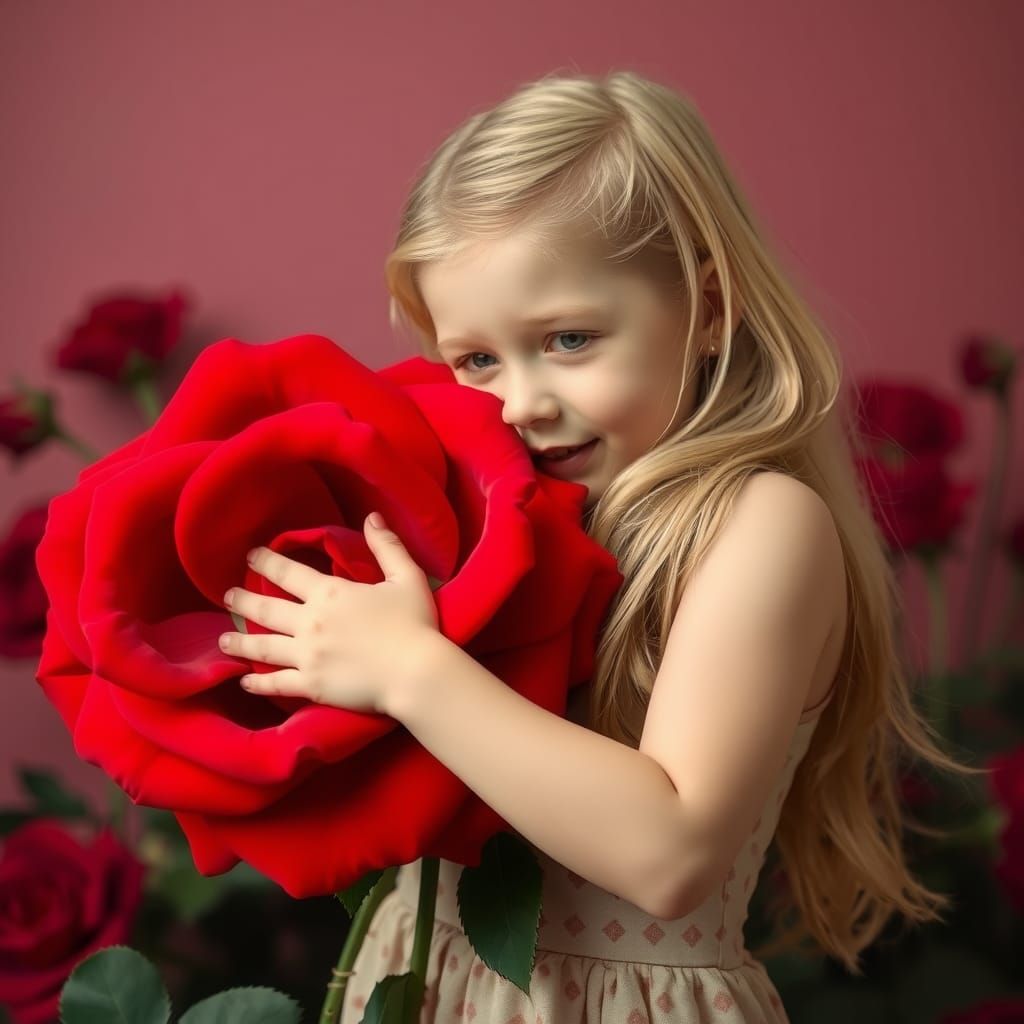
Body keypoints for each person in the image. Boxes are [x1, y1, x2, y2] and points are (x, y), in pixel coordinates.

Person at [220, 69, 976, 1022]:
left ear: (708, 308)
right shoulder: (500, 506)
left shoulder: (757, 524)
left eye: (570, 339)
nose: (523, 401)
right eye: (477, 359)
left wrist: (408, 666)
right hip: (429, 980)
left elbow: (670, 853)